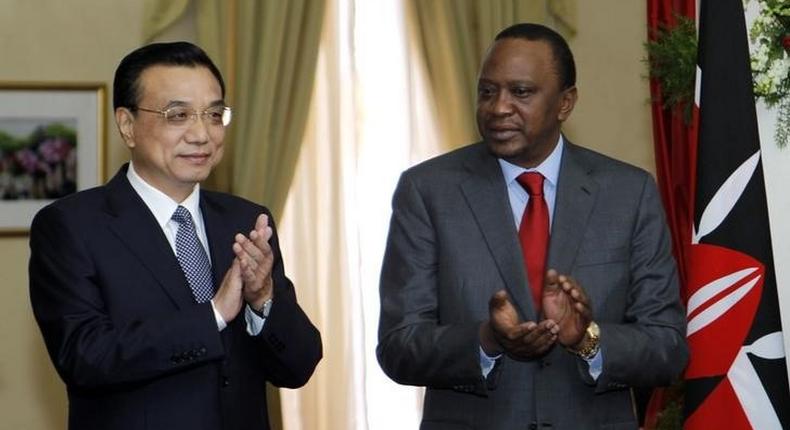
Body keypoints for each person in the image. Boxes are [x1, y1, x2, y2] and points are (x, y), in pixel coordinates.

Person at [377, 23, 688, 429]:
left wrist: (586, 339)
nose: (498, 107)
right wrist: (487, 340)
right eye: (487, 91)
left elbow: (668, 347)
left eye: (520, 92)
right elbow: (399, 346)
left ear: (565, 103)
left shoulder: (629, 194)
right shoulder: (427, 191)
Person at [29, 41, 322, 430]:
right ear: (128, 125)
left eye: (214, 115)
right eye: (178, 114)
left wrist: (263, 300)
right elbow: (85, 358)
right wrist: (213, 314)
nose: (202, 134)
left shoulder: (246, 219)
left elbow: (298, 366)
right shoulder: (72, 226)